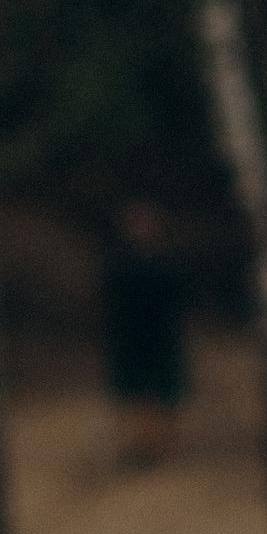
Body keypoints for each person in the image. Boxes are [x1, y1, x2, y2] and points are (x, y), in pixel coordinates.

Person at [104, 200, 192, 467]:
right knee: (134, 395)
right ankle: (142, 445)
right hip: (130, 337)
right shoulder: (119, 265)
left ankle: (166, 447)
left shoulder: (167, 264)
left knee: (166, 394)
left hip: (162, 335)